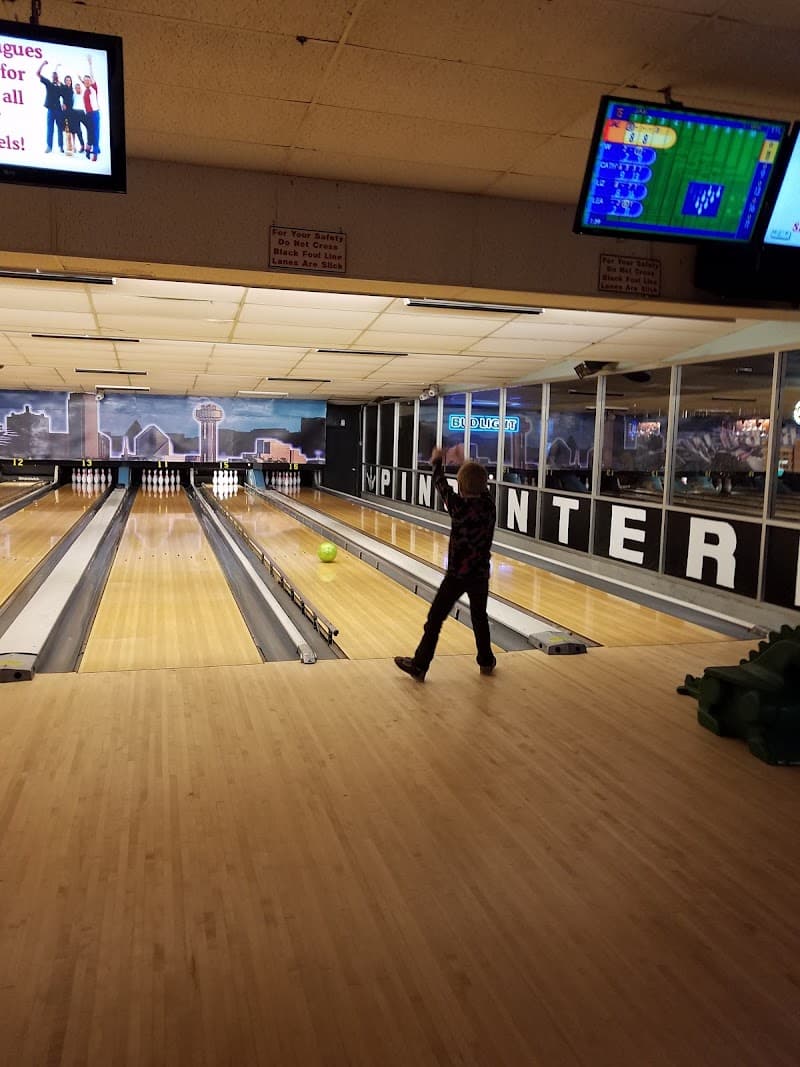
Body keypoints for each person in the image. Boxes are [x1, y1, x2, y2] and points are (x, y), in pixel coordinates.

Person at [395, 447, 496, 681]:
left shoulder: (458, 507)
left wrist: (438, 461)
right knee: (479, 618)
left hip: (457, 576)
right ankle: (486, 661)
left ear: (460, 487)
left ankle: (420, 665)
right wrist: (464, 465)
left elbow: (440, 484)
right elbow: (475, 484)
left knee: (435, 620)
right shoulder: (489, 507)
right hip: (480, 575)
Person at [36, 60, 65, 153]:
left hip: (59, 110)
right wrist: (43, 64)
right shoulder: (48, 83)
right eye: (53, 75)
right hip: (51, 110)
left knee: (60, 128)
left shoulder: (60, 86)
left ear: (58, 77)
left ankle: (61, 146)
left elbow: (65, 95)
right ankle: (49, 146)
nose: (54, 76)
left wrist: (64, 104)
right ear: (52, 77)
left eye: (56, 75)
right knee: (50, 128)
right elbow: (37, 73)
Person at [60, 75, 87, 155]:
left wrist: (81, 80)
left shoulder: (75, 92)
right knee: (71, 130)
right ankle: (72, 147)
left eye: (69, 80)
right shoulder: (65, 89)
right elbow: (60, 96)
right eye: (67, 80)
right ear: (65, 81)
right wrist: (62, 104)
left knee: (76, 130)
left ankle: (84, 145)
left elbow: (85, 86)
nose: (68, 81)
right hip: (69, 112)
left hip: (76, 113)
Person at [81, 54, 100, 162]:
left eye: (88, 80)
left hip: (94, 114)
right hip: (88, 114)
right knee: (90, 132)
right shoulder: (85, 90)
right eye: (85, 80)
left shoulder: (93, 88)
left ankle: (95, 154)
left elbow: (92, 76)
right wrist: (81, 79)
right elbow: (84, 83)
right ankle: (91, 150)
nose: (87, 81)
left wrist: (90, 64)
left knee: (95, 133)